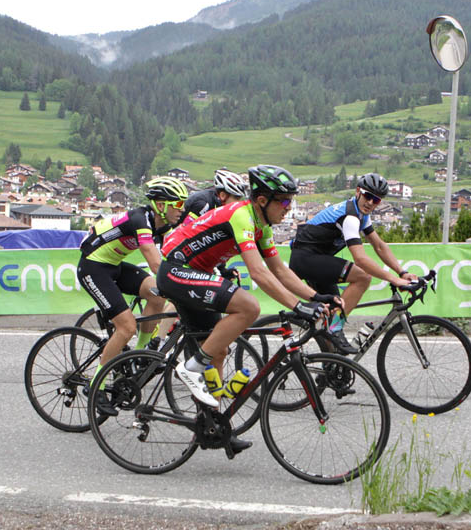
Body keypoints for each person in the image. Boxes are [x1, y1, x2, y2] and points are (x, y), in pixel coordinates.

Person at [157, 164, 337, 433]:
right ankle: (191, 367)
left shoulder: (261, 226)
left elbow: (279, 270)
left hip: (197, 272)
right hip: (176, 271)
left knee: (219, 349)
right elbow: (258, 273)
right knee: (248, 307)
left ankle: (212, 426)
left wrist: (315, 296)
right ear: (262, 201)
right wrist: (299, 307)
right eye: (285, 201)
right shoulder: (241, 214)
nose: (289, 207)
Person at [289, 172, 418, 354]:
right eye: (368, 196)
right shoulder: (350, 217)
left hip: (317, 259)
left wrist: (402, 272)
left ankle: (329, 367)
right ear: (358, 191)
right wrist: (394, 279)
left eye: (377, 200)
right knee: (362, 277)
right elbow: (361, 260)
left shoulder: (361, 214)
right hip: (306, 259)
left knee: (332, 315)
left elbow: (379, 246)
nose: (371, 203)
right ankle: (334, 329)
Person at [77, 176, 187, 368]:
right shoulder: (140, 220)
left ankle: (141, 353)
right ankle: (97, 385)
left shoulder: (162, 225)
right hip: (92, 267)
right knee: (126, 327)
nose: (182, 209)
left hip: (113, 265)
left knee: (156, 294)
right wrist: (182, 286)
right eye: (178, 204)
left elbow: (170, 256)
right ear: (160, 205)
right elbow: (155, 264)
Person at [182, 168, 248, 221]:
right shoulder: (203, 204)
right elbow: (185, 230)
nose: (238, 203)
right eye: (236, 198)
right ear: (223, 196)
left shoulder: (216, 201)